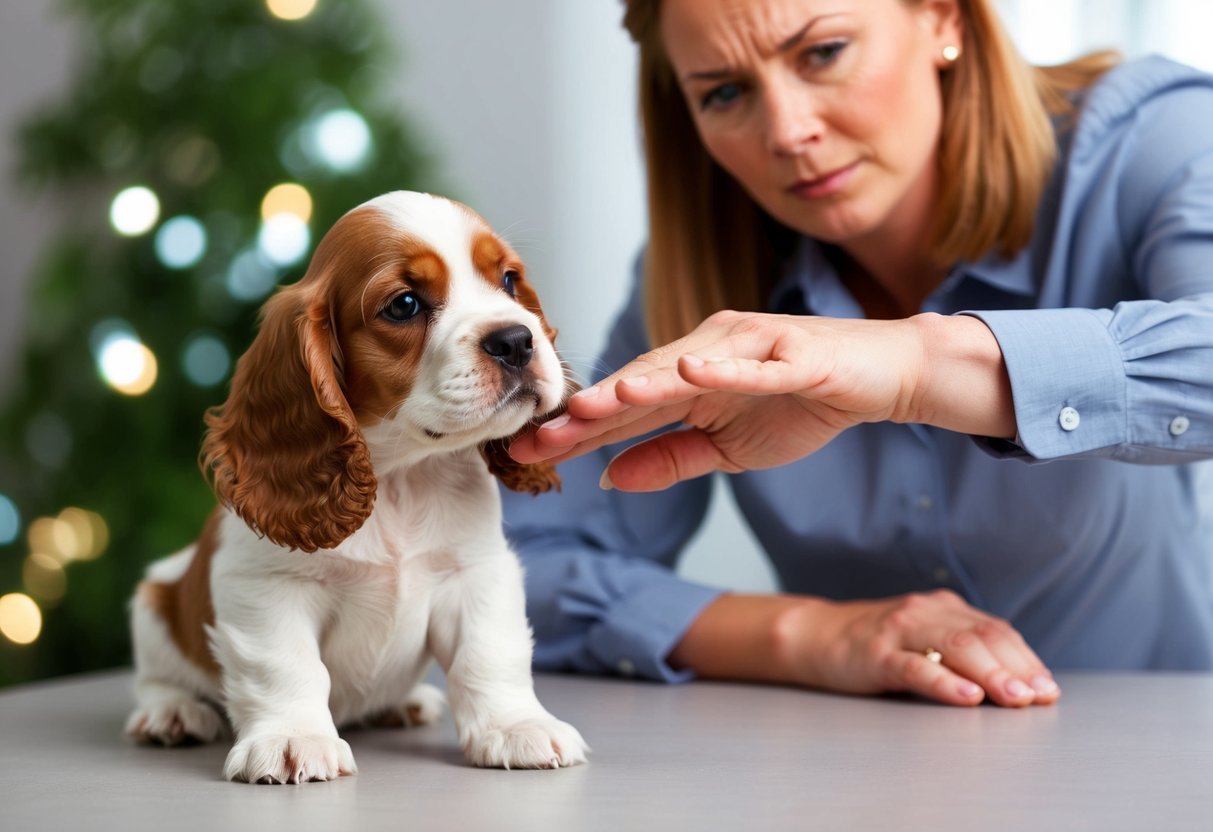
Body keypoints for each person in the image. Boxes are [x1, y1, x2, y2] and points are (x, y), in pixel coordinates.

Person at [502, 0, 1213, 708]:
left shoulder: (1147, 138)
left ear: (942, 19)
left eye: (823, 52)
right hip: (860, 780)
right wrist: (810, 636)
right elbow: (514, 566)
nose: (787, 131)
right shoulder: (703, 279)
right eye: (725, 92)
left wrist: (918, 366)